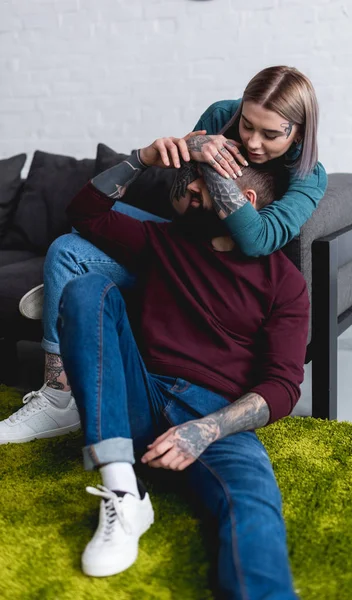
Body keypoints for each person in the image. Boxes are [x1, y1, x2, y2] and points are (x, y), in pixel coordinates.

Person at [0, 64, 324, 443]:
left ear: (299, 132)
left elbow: (258, 240)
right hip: (183, 242)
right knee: (74, 239)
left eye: (270, 135)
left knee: (94, 236)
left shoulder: (309, 176)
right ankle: (59, 393)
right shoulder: (222, 115)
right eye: (248, 125)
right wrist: (173, 156)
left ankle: (81, 297)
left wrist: (213, 166)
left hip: (229, 271)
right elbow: (180, 199)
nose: (252, 142)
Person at [55, 139, 309, 598]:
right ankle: (123, 494)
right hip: (140, 392)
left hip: (216, 415)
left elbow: (283, 385)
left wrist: (206, 430)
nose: (190, 184)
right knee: (86, 288)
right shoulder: (167, 239)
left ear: (245, 201)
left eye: (206, 178)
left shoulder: (285, 282)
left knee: (254, 505)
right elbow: (85, 213)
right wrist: (143, 158)